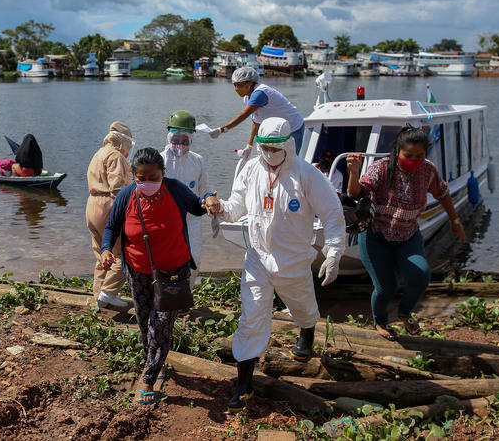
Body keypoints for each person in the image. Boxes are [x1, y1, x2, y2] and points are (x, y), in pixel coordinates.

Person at [212, 117, 345, 413]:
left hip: (294, 261)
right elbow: (236, 207)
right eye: (265, 148)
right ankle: (244, 385)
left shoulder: (307, 175)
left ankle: (307, 331)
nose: (269, 154)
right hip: (258, 260)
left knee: (303, 308)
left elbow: (332, 214)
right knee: (251, 320)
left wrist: (334, 252)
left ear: (288, 145)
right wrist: (220, 208)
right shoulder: (251, 170)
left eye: (275, 149)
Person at [100, 148, 219, 404]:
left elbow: (197, 207)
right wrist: (106, 250)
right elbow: (111, 226)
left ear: (162, 174)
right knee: (145, 321)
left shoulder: (174, 189)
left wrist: (208, 198)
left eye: (153, 177)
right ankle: (156, 360)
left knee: (161, 323)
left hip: (174, 272)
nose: (147, 183)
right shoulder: (126, 195)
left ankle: (148, 377)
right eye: (141, 178)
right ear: (133, 176)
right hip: (137, 271)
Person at [346, 126, 466, 341]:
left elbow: (443, 193)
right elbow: (356, 193)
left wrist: (455, 221)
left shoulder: (428, 170)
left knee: (420, 275)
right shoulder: (381, 168)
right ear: (397, 151)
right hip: (375, 235)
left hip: (407, 236)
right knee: (386, 287)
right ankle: (381, 321)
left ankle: (404, 312)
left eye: (419, 155)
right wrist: (354, 173)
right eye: (408, 155)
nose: (414, 160)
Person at [86, 121, 135, 310]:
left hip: (92, 204)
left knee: (101, 252)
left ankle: (98, 296)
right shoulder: (116, 156)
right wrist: (124, 212)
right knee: (124, 250)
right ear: (124, 142)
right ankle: (110, 292)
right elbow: (117, 187)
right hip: (108, 204)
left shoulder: (98, 153)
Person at [161, 110, 210, 292]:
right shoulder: (160, 160)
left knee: (193, 259)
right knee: (166, 259)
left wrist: (211, 201)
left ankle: (185, 297)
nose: (180, 144)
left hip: (192, 219)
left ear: (191, 140)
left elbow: (204, 189)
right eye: (176, 140)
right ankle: (165, 296)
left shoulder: (198, 161)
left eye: (185, 141)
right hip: (165, 220)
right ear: (169, 138)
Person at [213, 67, 305, 157]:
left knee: (289, 160)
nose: (236, 89)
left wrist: (222, 129)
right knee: (273, 158)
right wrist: (249, 146)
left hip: (293, 127)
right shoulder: (247, 97)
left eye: (239, 85)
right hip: (277, 128)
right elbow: (256, 123)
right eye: (235, 85)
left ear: (250, 82)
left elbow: (243, 115)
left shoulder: (260, 93)